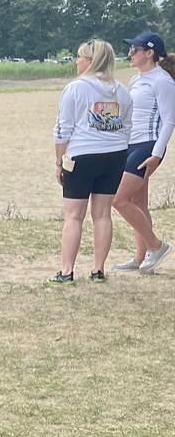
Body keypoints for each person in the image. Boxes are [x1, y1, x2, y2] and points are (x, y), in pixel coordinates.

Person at [47, 39, 132, 284]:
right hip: (114, 155)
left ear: (90, 61)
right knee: (103, 214)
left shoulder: (76, 88)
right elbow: (126, 127)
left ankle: (66, 271)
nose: (77, 61)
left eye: (80, 57)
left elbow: (63, 129)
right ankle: (98, 269)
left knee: (73, 216)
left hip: (82, 154)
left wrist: (58, 161)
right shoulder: (121, 91)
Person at [113, 30, 174, 273]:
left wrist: (156, 154)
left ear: (149, 53)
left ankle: (156, 245)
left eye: (135, 50)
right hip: (131, 144)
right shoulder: (136, 79)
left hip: (148, 146)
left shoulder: (163, 81)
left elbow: (169, 120)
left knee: (119, 199)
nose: (130, 54)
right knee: (138, 201)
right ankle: (140, 257)